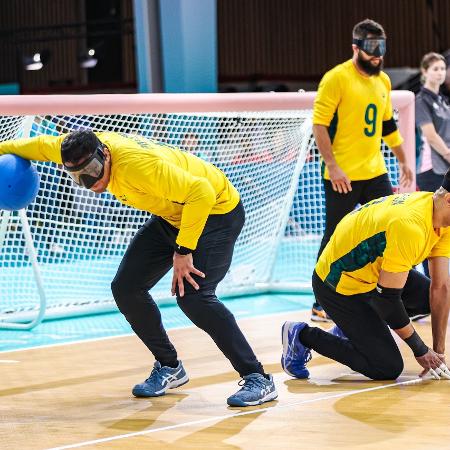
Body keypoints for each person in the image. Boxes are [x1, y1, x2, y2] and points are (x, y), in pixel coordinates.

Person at [0, 130, 277, 407]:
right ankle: (170, 367)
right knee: (126, 288)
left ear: (105, 153)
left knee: (195, 298)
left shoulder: (137, 166)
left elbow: (201, 193)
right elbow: (30, 146)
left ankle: (258, 377)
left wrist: (183, 250)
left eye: (93, 171)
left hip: (215, 212)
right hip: (174, 215)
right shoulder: (71, 149)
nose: (89, 182)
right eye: (77, 177)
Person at [281, 171, 450, 382]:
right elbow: (387, 301)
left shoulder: (439, 215)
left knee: (428, 299)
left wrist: (439, 353)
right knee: (387, 367)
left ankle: (353, 329)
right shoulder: (411, 226)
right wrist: (421, 350)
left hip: (372, 274)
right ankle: (302, 336)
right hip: (337, 286)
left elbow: (441, 288)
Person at [310, 18, 414, 322]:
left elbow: (387, 126)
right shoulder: (336, 78)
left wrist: (404, 160)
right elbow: (319, 125)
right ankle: (320, 303)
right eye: (371, 48)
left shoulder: (382, 81)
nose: (378, 54)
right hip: (342, 175)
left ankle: (394, 296)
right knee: (335, 236)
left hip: (375, 171)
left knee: (391, 226)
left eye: (382, 47)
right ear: (356, 47)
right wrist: (333, 166)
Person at [415, 52, 450, 277]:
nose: (440, 72)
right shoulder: (421, 101)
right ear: (424, 72)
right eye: (435, 68)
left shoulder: (443, 102)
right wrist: (448, 154)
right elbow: (430, 135)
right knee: (433, 227)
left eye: (443, 68)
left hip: (445, 169)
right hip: (431, 170)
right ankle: (429, 281)